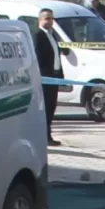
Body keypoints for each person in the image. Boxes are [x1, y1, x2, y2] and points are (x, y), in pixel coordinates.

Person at [34, 8, 63, 146]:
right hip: (45, 78)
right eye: (46, 18)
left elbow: (56, 56)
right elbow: (38, 58)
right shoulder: (38, 36)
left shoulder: (52, 35)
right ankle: (45, 137)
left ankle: (48, 135)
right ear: (40, 20)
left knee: (51, 108)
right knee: (45, 108)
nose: (50, 21)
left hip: (55, 76)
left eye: (51, 18)